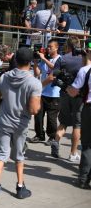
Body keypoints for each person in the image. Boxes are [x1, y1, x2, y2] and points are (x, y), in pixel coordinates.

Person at [0, 47, 42, 203]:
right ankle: (19, 187)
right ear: (30, 62)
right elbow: (34, 109)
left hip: (3, 121)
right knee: (19, 156)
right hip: (21, 125)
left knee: (0, 154)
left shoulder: (4, 77)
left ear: (15, 59)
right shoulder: (34, 82)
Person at [43, 36, 83, 161]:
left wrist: (40, 86)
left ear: (67, 45)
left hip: (64, 92)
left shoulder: (62, 59)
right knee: (77, 124)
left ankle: (56, 140)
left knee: (64, 121)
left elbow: (53, 76)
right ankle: (73, 153)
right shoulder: (84, 58)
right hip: (79, 94)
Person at [66, 38, 91, 189]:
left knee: (87, 145)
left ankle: (83, 179)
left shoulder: (85, 70)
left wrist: (65, 86)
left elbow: (73, 91)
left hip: (89, 108)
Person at [31, 39, 61, 145]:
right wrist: (35, 62)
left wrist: (44, 59)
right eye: (48, 47)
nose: (48, 49)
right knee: (38, 115)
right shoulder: (45, 60)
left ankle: (52, 137)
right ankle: (39, 135)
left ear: (56, 48)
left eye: (51, 47)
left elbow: (55, 70)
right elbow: (37, 73)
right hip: (42, 93)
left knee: (51, 118)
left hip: (54, 94)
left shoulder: (59, 59)